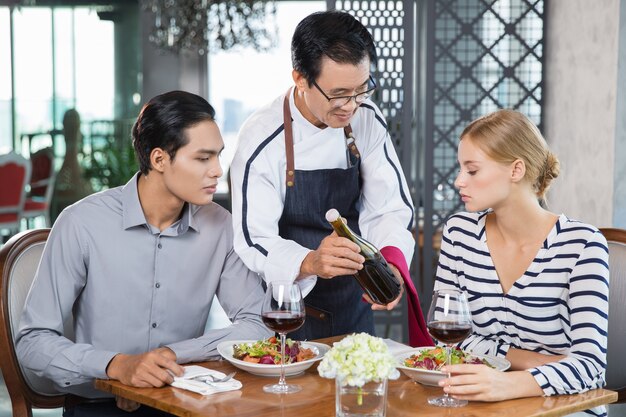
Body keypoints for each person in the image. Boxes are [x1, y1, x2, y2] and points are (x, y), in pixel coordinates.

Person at [16, 91, 271, 416]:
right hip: (98, 405)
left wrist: (169, 356)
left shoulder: (220, 226)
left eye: (219, 156)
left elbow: (257, 324)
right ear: (159, 159)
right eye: (203, 158)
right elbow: (33, 342)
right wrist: (117, 368)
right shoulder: (82, 223)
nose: (218, 170)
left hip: (183, 398)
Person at [230, 10, 431, 345]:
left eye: (362, 89)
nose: (351, 105)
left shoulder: (365, 118)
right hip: (287, 310)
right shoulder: (262, 137)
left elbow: (388, 207)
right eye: (339, 94)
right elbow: (253, 240)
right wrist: (310, 261)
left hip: (354, 303)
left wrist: (391, 262)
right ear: (300, 79)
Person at [434, 109, 609, 406]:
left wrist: (506, 383)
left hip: (562, 407)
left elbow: (590, 368)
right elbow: (446, 340)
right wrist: (534, 361)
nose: (459, 181)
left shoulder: (583, 245)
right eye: (460, 169)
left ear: (516, 170)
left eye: (472, 170)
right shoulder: (458, 234)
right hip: (480, 402)